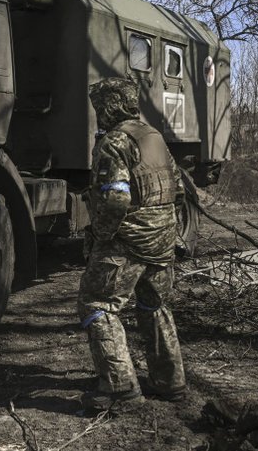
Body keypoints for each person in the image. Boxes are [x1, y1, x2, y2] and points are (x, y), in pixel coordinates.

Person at [77, 77, 187, 414]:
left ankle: (120, 389)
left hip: (127, 239)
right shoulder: (153, 136)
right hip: (162, 238)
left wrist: (101, 234)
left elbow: (115, 199)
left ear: (107, 106)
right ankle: (170, 382)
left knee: (98, 305)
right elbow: (180, 191)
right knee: (155, 305)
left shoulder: (114, 142)